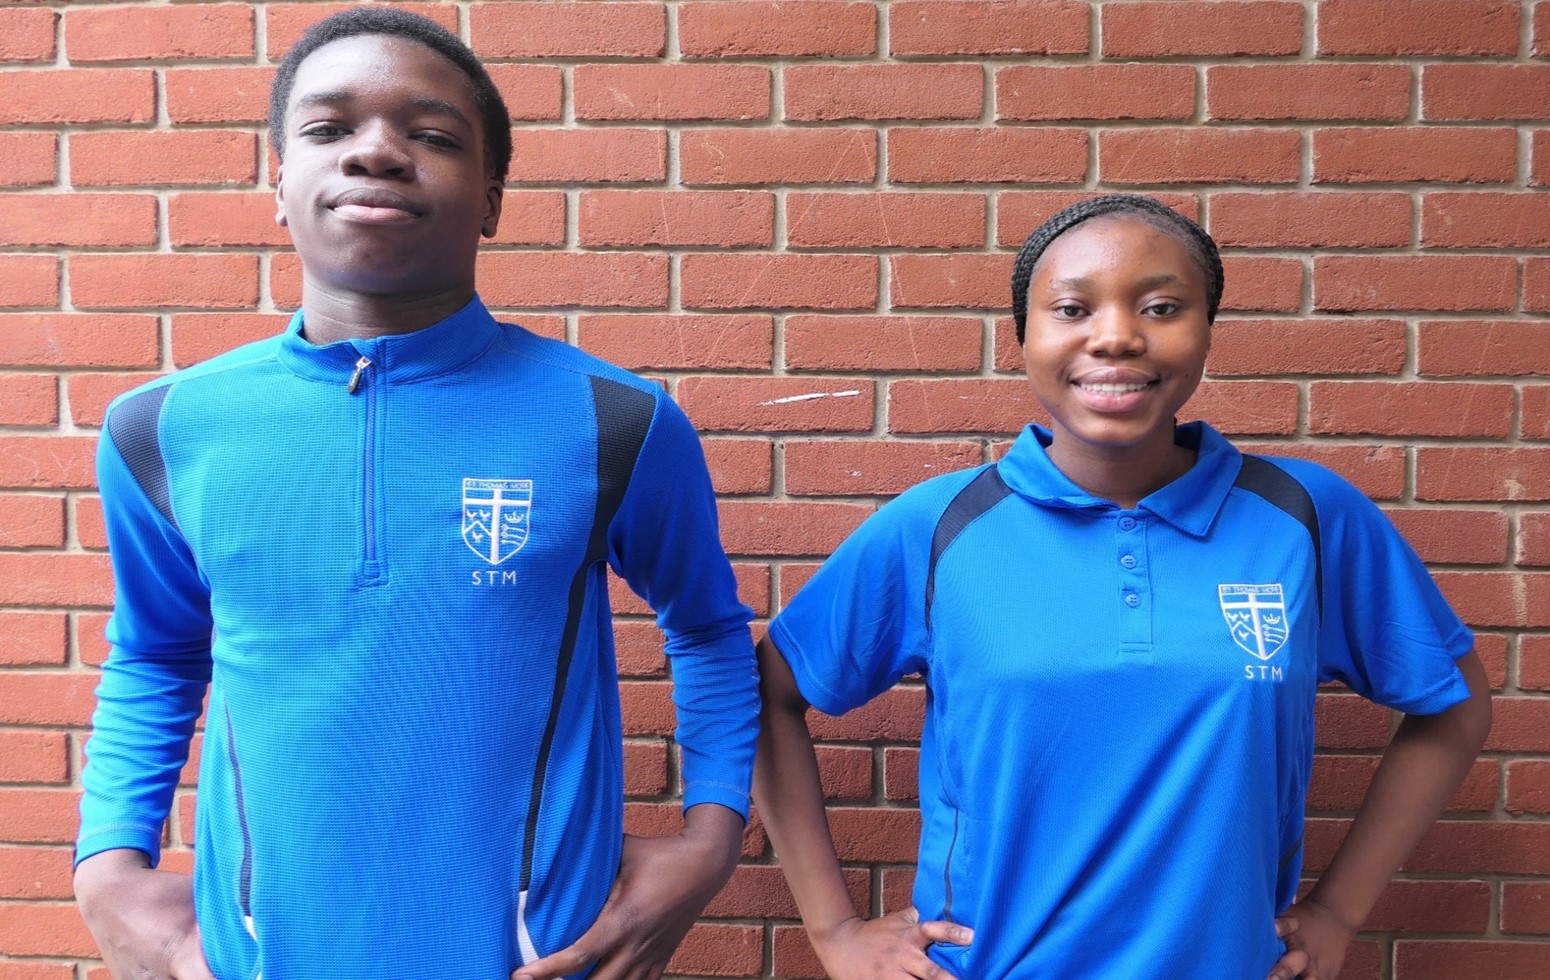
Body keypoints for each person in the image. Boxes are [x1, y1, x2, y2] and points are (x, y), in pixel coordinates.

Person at [72, 10, 757, 980]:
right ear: (279, 184)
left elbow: (708, 629)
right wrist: (106, 863)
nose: (377, 153)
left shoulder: (614, 420)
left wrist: (710, 838)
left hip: (530, 956)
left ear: (491, 199)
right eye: (329, 128)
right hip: (263, 958)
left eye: (431, 135)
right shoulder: (162, 429)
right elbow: (154, 650)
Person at [752, 194, 1492, 980]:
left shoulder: (1305, 517)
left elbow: (1454, 704)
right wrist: (834, 929)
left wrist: (1338, 911)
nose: (1115, 336)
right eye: (1072, 309)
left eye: (1161, 307)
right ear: (1024, 336)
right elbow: (766, 695)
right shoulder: (940, 526)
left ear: (1207, 329)